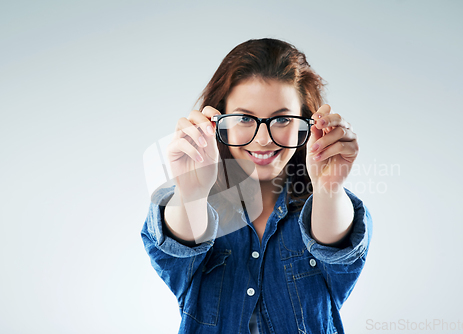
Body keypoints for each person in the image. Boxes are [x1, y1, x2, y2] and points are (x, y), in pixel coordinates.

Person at [141, 38, 373, 334]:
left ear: (307, 121)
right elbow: (177, 247)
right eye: (244, 119)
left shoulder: (330, 208)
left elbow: (337, 249)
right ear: (217, 120)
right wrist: (192, 192)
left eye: (282, 120)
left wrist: (329, 187)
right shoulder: (194, 207)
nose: (263, 139)